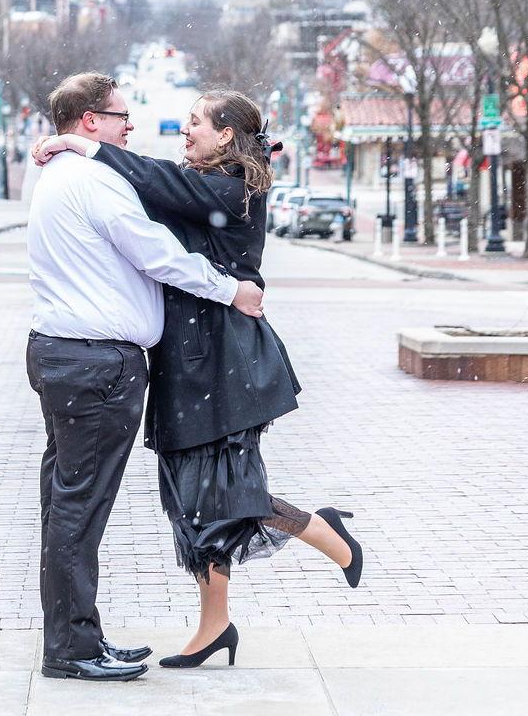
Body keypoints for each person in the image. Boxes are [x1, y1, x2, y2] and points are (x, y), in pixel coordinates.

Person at [35, 89, 364, 669]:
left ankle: (321, 532)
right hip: (185, 359)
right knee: (191, 497)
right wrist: (76, 152)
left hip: (223, 356)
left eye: (194, 123)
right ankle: (216, 624)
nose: (184, 132)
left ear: (228, 136)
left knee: (222, 490)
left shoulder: (235, 186)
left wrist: (79, 142)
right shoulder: (199, 183)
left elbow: (154, 183)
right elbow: (147, 200)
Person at [26, 73, 266, 683]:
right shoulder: (92, 179)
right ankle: (74, 649)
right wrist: (229, 289)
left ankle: (79, 638)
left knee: (67, 505)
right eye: (119, 116)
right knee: (80, 509)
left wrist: (86, 151)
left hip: (66, 356)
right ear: (89, 120)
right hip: (97, 364)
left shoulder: (62, 173)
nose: (129, 126)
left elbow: (170, 189)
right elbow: (156, 253)